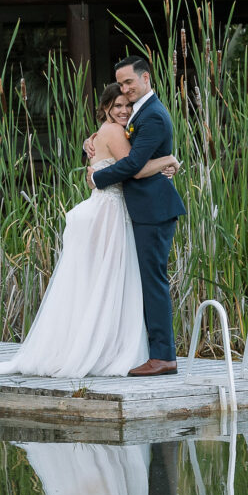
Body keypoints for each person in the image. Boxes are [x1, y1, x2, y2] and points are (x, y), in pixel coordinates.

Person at [0, 83, 179, 378]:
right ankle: (102, 349)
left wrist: (95, 154)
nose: (123, 110)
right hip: (109, 215)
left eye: (127, 105)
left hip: (111, 210)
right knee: (105, 283)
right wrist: (169, 160)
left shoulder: (110, 132)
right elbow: (134, 168)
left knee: (102, 284)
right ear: (106, 109)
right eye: (117, 106)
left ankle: (103, 345)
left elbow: (120, 162)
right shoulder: (112, 131)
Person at [89, 56, 186, 378]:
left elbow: (132, 165)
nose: (125, 89)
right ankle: (149, 350)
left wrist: (96, 178)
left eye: (129, 82)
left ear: (145, 78)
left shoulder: (153, 115)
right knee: (143, 281)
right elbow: (123, 147)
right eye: (121, 83)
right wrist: (94, 143)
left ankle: (163, 356)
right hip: (142, 209)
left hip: (153, 210)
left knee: (153, 281)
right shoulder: (139, 112)